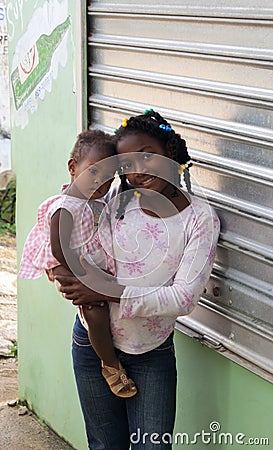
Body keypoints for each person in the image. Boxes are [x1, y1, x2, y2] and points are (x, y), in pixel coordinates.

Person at [55, 110, 220, 450]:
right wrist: (63, 276)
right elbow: (80, 245)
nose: (138, 171)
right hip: (90, 344)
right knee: (104, 445)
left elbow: (183, 298)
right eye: (127, 164)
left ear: (171, 151)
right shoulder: (116, 203)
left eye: (147, 155)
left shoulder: (199, 219)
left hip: (150, 352)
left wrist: (102, 290)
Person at [18, 130, 137, 398]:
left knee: (99, 303)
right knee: (94, 309)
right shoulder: (66, 206)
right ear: (73, 168)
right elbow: (59, 248)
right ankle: (110, 364)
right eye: (94, 172)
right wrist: (85, 276)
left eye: (109, 178)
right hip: (71, 265)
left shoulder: (94, 201)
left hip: (88, 265)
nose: (101, 182)